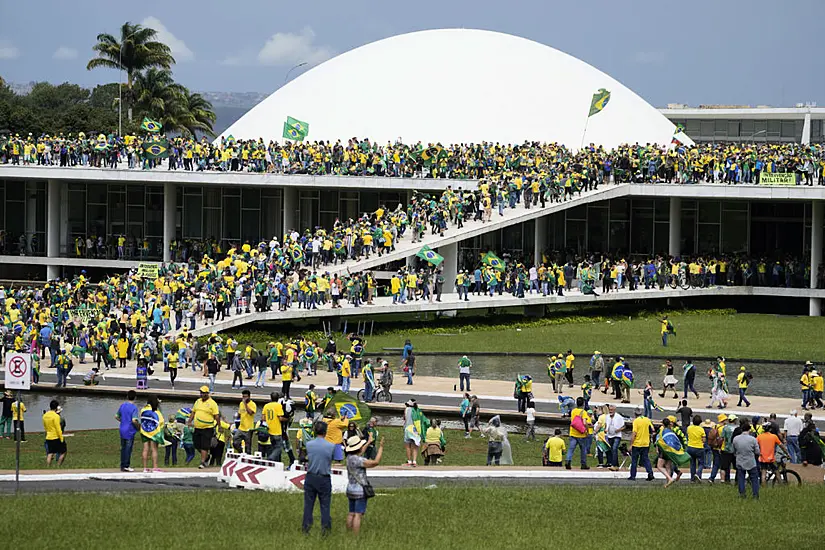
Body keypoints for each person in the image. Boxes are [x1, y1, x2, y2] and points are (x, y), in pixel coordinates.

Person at [345, 434, 384, 535]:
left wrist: (368, 442)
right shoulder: (360, 460)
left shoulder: (349, 458)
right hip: (360, 490)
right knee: (358, 515)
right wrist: (381, 448)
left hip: (350, 489)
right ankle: (355, 535)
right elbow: (375, 462)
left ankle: (348, 532)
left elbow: (360, 451)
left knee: (351, 513)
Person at [302, 421, 335, 535]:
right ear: (325, 432)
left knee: (308, 504)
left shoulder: (309, 444)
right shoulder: (331, 446)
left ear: (315, 431)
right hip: (324, 477)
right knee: (325, 505)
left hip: (311, 476)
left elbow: (302, 457)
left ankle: (306, 527)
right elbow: (336, 458)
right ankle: (325, 529)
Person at [188, 386, 221, 469]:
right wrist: (189, 421)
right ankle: (206, 456)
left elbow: (216, 416)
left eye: (203, 393)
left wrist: (219, 425)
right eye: (201, 393)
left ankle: (202, 462)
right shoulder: (198, 401)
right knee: (196, 444)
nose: (201, 394)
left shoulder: (212, 403)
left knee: (204, 445)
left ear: (207, 393)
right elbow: (193, 412)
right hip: (197, 427)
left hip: (207, 427)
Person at [732, 419, 760, 499]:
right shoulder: (753, 439)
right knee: (754, 479)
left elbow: (734, 450)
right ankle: (755, 495)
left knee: (741, 478)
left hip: (740, 460)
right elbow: (757, 451)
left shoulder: (736, 439)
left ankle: (742, 494)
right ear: (749, 429)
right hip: (751, 461)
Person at [115, 390, 140, 472]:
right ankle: (126, 465)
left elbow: (116, 416)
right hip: (129, 430)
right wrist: (138, 427)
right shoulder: (134, 408)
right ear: (135, 397)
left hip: (122, 429)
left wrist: (123, 421)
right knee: (128, 449)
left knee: (123, 448)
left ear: (127, 397)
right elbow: (134, 420)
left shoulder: (123, 405)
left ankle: (122, 465)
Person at [628, 407, 655, 481]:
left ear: (635, 413)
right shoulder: (647, 419)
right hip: (646, 443)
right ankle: (650, 473)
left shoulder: (636, 421)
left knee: (634, 460)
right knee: (645, 459)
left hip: (637, 444)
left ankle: (633, 476)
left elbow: (634, 433)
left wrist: (631, 444)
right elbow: (652, 429)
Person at [139, 396, 165, 473]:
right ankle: (155, 467)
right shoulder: (157, 412)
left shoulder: (143, 410)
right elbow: (161, 422)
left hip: (144, 431)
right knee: (154, 449)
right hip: (154, 433)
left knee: (145, 449)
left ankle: (145, 468)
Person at [565, 397, 592, 470]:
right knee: (583, 449)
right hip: (581, 434)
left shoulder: (573, 411)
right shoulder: (584, 412)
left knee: (571, 448)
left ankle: (568, 460)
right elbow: (584, 422)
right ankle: (583, 464)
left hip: (573, 432)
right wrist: (587, 430)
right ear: (583, 404)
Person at [261, 392, 286, 462]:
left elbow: (263, 418)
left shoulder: (266, 406)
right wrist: (287, 419)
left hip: (269, 431)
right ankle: (270, 458)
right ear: (277, 398)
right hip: (277, 431)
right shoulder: (278, 406)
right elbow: (280, 418)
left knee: (273, 447)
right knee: (279, 448)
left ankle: (275, 462)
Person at [43, 399, 66, 466]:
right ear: (56, 407)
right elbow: (58, 428)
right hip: (56, 436)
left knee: (50, 453)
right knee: (63, 452)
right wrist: (61, 438)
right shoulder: (56, 416)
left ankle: (48, 466)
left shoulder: (45, 415)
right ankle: (58, 465)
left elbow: (45, 426)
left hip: (48, 436)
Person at [686, 415, 706, 482]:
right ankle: (698, 474)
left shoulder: (689, 428)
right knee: (701, 463)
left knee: (692, 463)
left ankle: (692, 479)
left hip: (690, 447)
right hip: (699, 447)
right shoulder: (701, 429)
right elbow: (703, 440)